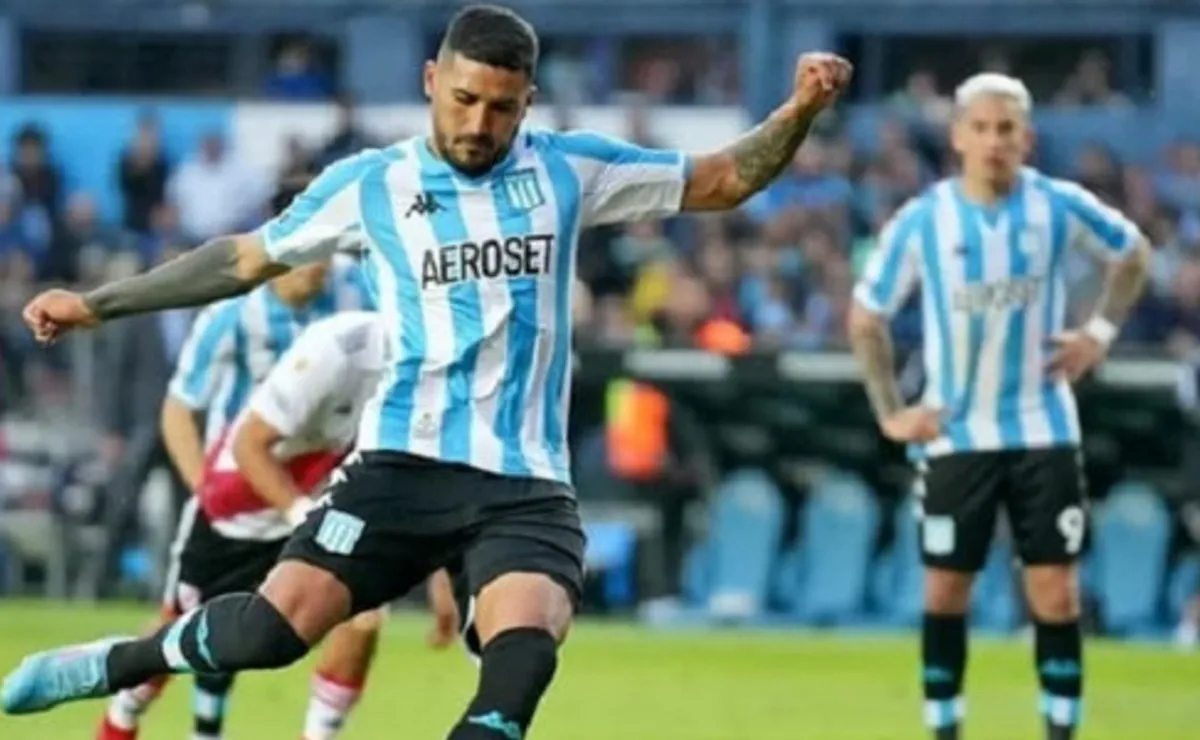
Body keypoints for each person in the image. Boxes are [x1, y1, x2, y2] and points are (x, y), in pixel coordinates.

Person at [2, 5, 852, 738]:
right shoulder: (372, 185)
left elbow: (722, 180)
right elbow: (242, 258)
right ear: (430, 81)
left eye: (503, 107)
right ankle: (116, 663)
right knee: (269, 634)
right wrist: (99, 302)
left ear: (528, 102)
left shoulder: (567, 169)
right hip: (401, 466)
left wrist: (801, 109)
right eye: (465, 100)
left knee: (523, 660)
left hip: (525, 482)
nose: (481, 124)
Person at [846, 72, 1149, 740]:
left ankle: (1060, 731)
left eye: (1005, 128)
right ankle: (945, 728)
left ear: (1026, 138)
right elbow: (866, 317)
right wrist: (891, 412)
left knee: (1056, 592)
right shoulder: (923, 220)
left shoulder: (1057, 205)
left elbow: (1132, 252)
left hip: (1044, 428)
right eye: (980, 128)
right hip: (956, 433)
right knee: (945, 590)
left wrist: (1099, 332)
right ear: (958, 136)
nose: (993, 141)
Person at [99, 310, 460, 740]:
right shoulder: (304, 334)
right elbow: (235, 436)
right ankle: (121, 716)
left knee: (363, 619)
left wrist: (441, 569)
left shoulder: (425, 357)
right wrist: (211, 489)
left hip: (321, 492)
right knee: (183, 628)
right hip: (241, 501)